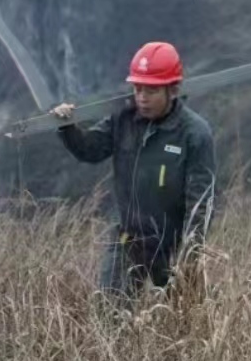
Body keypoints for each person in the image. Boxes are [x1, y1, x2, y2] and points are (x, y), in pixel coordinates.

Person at [50, 42, 216, 299]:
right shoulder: (123, 120)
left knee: (181, 321)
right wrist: (68, 128)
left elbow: (200, 202)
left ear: (173, 89)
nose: (142, 97)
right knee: (109, 315)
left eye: (150, 90)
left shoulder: (194, 133)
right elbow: (90, 150)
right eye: (137, 88)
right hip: (128, 239)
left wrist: (191, 255)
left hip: (172, 247)